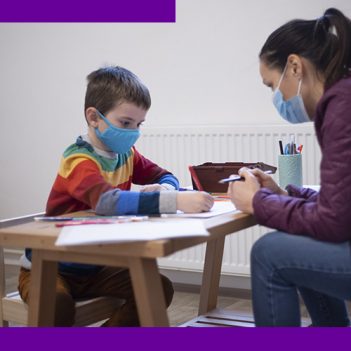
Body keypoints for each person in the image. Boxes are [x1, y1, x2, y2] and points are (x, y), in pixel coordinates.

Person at [18, 66, 214, 326]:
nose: (133, 131)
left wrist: (166, 189)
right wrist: (175, 200)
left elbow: (164, 175)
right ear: (94, 118)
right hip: (50, 268)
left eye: (138, 124)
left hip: (95, 267)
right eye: (125, 123)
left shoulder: (127, 154)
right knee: (57, 305)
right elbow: (106, 202)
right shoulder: (78, 159)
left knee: (158, 289)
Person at [228, 8, 351, 326]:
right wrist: (282, 195)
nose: (276, 97)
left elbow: (335, 224)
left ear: (294, 66)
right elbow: (342, 207)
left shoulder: (343, 108)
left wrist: (258, 202)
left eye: (272, 85)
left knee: (269, 254)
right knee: (294, 237)